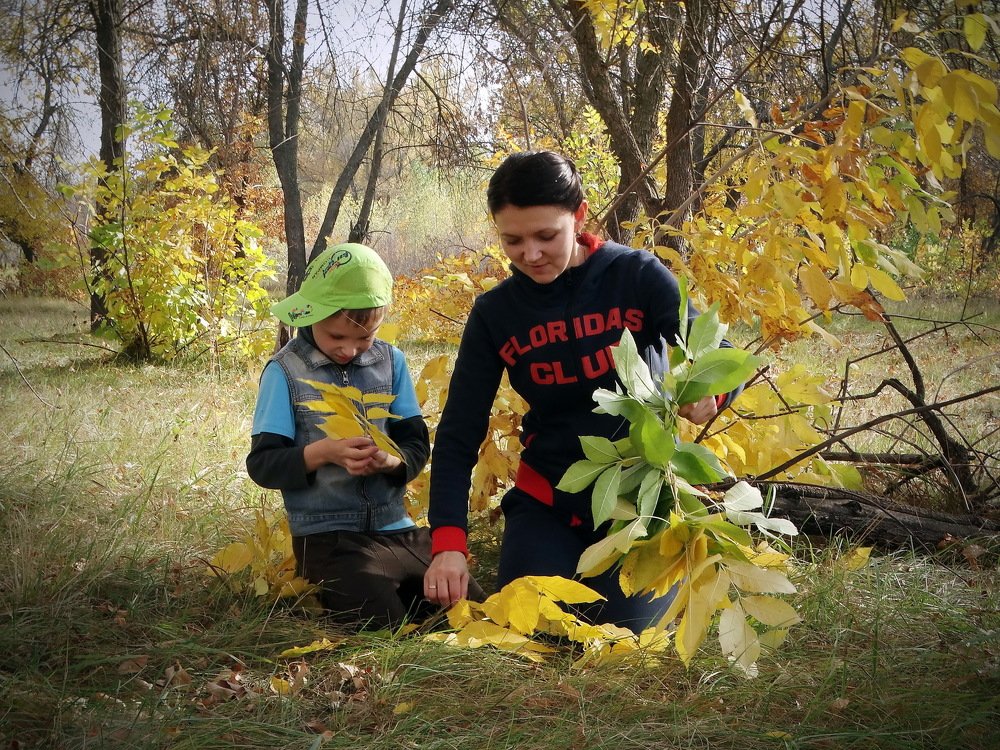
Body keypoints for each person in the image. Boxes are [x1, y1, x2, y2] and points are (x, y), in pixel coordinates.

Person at [423, 151, 741, 630]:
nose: (530, 254)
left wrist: (708, 392)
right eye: (512, 240)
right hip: (548, 498)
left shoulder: (636, 276)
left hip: (638, 501)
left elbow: (717, 351)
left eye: (545, 236)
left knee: (620, 635)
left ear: (579, 215)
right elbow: (458, 432)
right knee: (538, 627)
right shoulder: (496, 313)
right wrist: (448, 542)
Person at [247, 242, 482, 630]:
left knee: (471, 612)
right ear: (311, 316)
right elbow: (263, 464)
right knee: (383, 626)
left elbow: (415, 445)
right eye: (336, 336)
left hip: (399, 532)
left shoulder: (391, 362)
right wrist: (321, 453)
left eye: (364, 338)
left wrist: (392, 462)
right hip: (330, 540)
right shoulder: (285, 372)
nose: (349, 349)